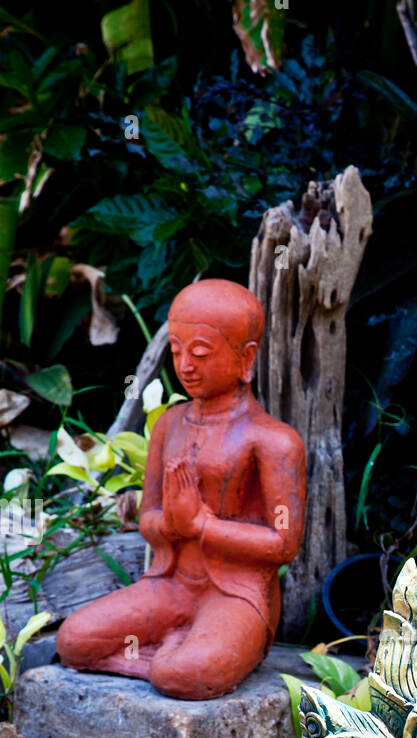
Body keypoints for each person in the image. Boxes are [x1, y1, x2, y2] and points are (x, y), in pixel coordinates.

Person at [57, 279, 306, 700]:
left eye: (201, 353)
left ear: (245, 358)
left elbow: (282, 543)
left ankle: (180, 658)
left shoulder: (273, 441)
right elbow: (150, 519)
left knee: (191, 672)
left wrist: (202, 525)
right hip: (171, 584)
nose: (186, 365)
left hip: (235, 595)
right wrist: (170, 522)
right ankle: (169, 657)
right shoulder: (170, 425)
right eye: (176, 350)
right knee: (73, 640)